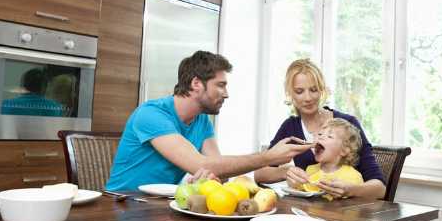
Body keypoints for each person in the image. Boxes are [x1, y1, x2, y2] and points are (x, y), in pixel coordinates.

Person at [254, 58, 386, 221]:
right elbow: (260, 174)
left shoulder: (346, 124)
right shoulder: (291, 127)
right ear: (290, 94)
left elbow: (379, 187)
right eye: (299, 91)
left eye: (313, 89)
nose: (307, 97)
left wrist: (350, 189)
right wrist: (286, 172)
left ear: (322, 89)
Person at [105, 51, 312, 191]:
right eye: (220, 85)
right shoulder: (151, 115)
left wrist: (209, 177)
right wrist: (267, 157)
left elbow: (218, 173)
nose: (226, 94)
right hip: (121, 206)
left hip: (159, 209)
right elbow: (201, 164)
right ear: (196, 83)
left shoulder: (202, 121)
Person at [295, 118, 365, 201]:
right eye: (320, 134)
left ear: (343, 150)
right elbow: (299, 190)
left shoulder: (353, 177)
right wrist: (293, 182)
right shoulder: (310, 170)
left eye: (330, 136)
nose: (320, 138)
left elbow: (359, 204)